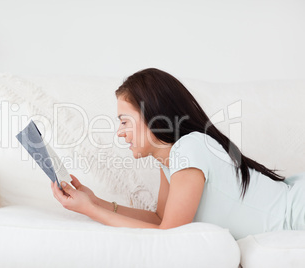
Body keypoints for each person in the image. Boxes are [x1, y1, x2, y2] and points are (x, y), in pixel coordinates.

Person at [51, 68, 305, 240]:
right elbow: (160, 218)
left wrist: (90, 211)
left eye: (125, 121)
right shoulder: (170, 161)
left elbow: (169, 234)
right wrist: (96, 202)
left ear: (152, 116)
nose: (120, 132)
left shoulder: (189, 148)